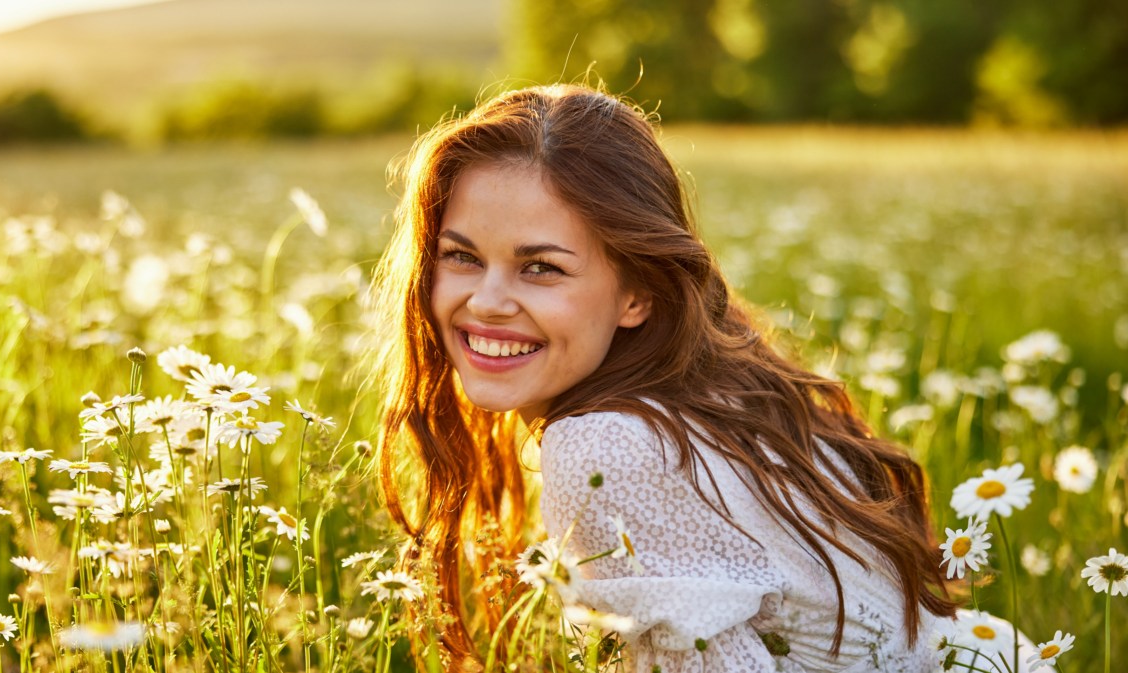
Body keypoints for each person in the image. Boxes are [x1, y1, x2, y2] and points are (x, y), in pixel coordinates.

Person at [372, 83, 962, 672]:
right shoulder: (707, 397)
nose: (489, 301)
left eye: (541, 267)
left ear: (638, 294)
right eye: (462, 257)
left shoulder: (607, 446)